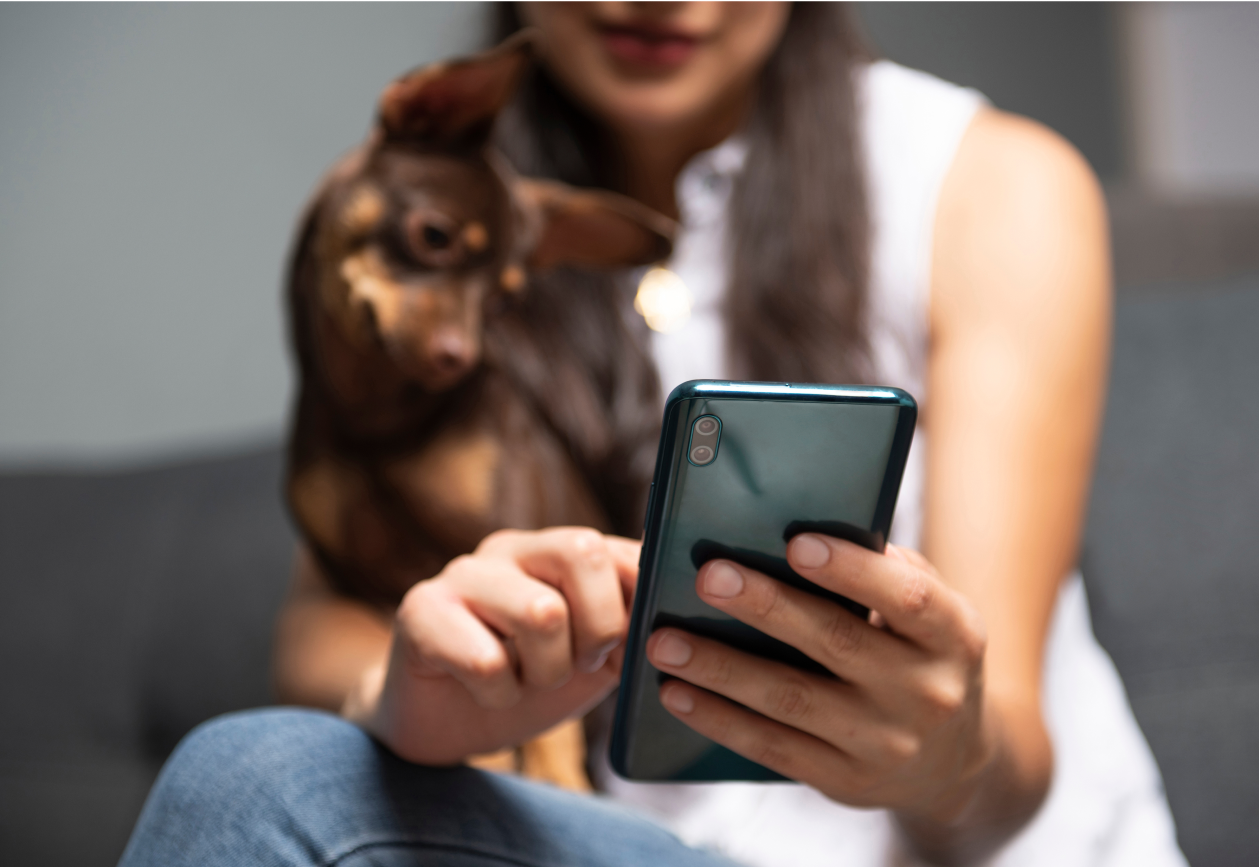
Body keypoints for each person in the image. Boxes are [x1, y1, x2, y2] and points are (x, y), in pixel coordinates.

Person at [120, 3, 1186, 865]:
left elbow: (1006, 784)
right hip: (597, 840)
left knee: (249, 781)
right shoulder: (420, 219)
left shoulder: (984, 186)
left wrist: (945, 759)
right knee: (258, 772)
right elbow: (323, 619)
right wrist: (411, 696)